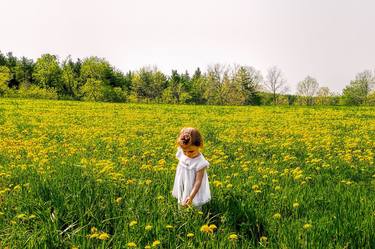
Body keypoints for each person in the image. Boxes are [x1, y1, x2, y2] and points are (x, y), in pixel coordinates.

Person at [172, 127, 211, 210]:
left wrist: (191, 196)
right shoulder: (182, 150)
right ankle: (181, 215)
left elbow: (198, 182)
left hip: (194, 187)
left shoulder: (200, 162)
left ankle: (197, 217)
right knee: (182, 198)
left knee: (195, 203)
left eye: (191, 151)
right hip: (182, 182)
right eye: (184, 151)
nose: (187, 154)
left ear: (199, 145)